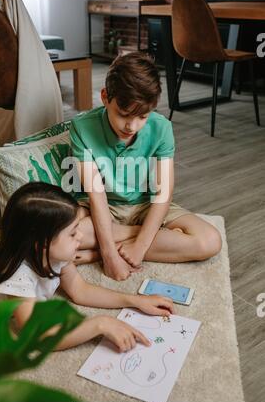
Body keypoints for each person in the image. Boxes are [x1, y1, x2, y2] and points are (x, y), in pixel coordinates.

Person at [0, 182, 174, 353]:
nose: (81, 237)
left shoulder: (54, 251)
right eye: (73, 233)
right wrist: (99, 324)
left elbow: (80, 290)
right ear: (43, 244)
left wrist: (134, 300)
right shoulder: (15, 275)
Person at [69, 52, 222, 281]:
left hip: (146, 206)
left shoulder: (162, 128)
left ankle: (98, 251)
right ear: (105, 97)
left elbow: (163, 193)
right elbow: (97, 195)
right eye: (122, 114)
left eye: (142, 117)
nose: (131, 126)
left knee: (210, 241)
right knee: (67, 237)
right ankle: (152, 239)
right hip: (104, 208)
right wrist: (110, 257)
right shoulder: (81, 127)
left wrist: (140, 246)